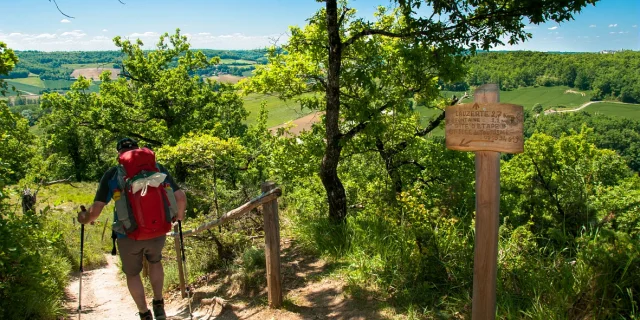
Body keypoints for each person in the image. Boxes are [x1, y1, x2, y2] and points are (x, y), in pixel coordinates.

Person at [78, 138, 187, 320]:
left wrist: (84, 218)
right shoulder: (158, 169)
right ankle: (159, 304)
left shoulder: (113, 174)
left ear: (119, 154)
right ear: (138, 150)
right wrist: (179, 217)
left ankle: (144, 313)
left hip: (127, 233)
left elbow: (95, 212)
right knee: (155, 262)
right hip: (158, 229)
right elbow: (180, 197)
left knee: (132, 274)